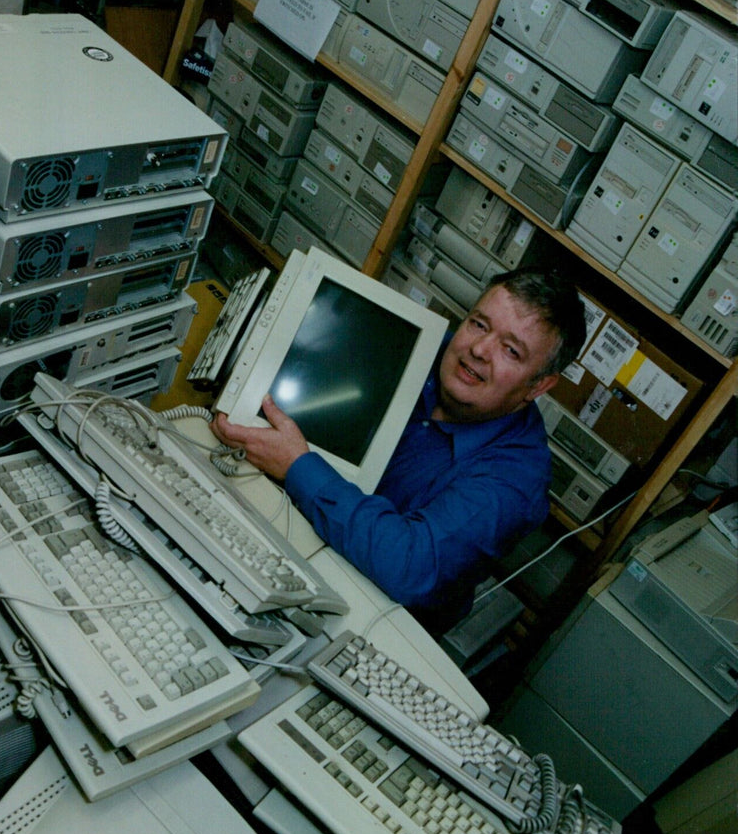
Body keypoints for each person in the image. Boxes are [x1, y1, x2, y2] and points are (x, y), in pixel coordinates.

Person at [211, 267, 588, 637]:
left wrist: (298, 466)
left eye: (510, 350)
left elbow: (409, 565)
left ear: (538, 386)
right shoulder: (420, 344)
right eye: (479, 324)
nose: (478, 349)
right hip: (286, 531)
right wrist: (246, 405)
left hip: (365, 619)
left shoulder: (516, 481)